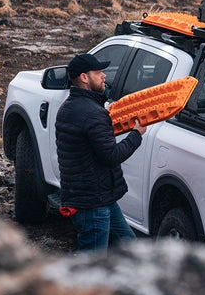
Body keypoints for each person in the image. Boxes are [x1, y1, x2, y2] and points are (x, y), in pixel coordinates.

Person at [55, 53, 146, 252]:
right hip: (93, 204)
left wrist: (104, 112)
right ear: (84, 78)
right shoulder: (92, 114)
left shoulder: (69, 107)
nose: (104, 76)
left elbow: (89, 137)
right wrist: (136, 134)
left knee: (129, 248)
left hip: (96, 198)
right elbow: (111, 155)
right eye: (98, 72)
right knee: (92, 261)